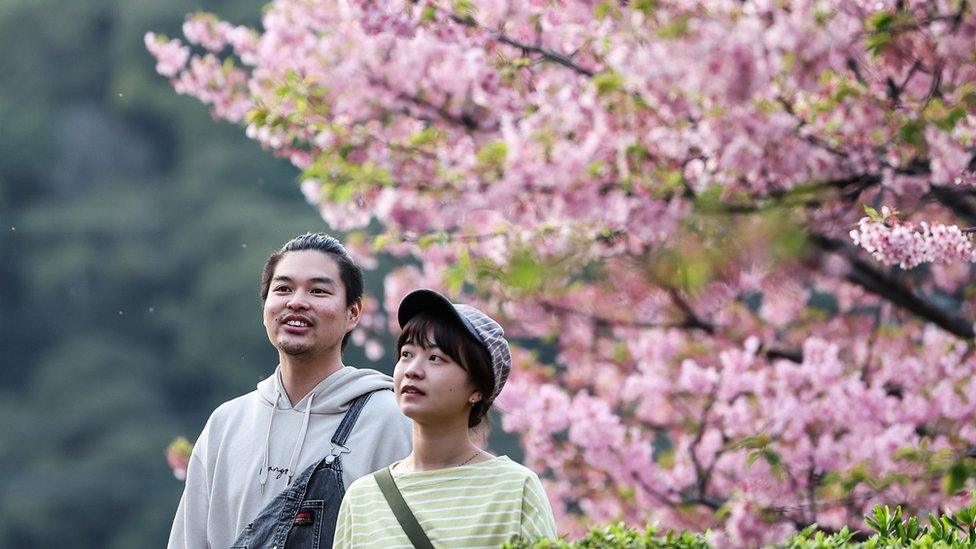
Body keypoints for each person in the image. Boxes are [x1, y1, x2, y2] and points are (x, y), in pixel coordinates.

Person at [168, 233, 412, 549]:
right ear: (265, 306)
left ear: (353, 313)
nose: (296, 301)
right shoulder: (226, 424)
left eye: (318, 291)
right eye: (283, 289)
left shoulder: (389, 420)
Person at [333, 289, 558, 548]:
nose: (413, 370)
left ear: (477, 389)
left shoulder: (515, 488)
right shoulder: (362, 497)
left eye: (435, 358)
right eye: (407, 354)